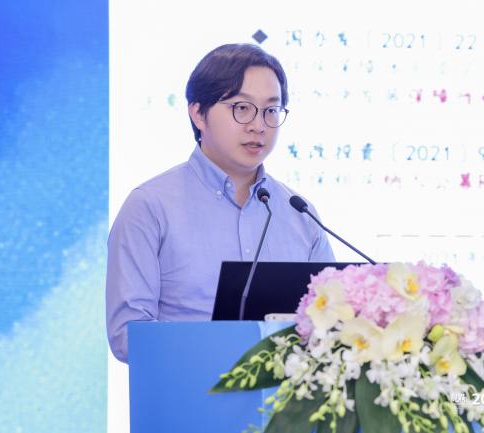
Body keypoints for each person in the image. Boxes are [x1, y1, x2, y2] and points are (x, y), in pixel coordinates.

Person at [106, 44, 335, 363]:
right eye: (242, 108)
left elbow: (332, 321)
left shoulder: (300, 214)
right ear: (198, 113)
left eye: (271, 110)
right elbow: (127, 335)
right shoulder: (150, 207)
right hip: (189, 391)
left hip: (286, 395)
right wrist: (223, 350)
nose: (259, 126)